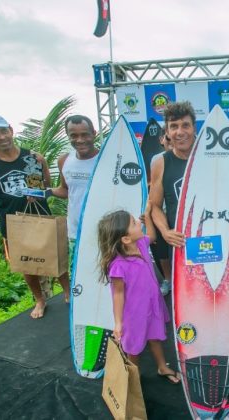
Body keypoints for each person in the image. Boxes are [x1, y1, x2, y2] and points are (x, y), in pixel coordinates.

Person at [149, 76, 229, 255]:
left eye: (185, 125)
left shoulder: (215, 151)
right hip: (184, 244)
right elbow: (155, 206)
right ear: (167, 132)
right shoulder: (160, 163)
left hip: (220, 238)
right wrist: (165, 231)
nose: (180, 132)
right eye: (174, 126)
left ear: (194, 128)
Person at [0, 113, 69, 318]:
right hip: (12, 222)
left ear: (10, 129)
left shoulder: (33, 158)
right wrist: (11, 209)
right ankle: (40, 300)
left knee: (57, 256)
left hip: (41, 215)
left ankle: (69, 293)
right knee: (27, 264)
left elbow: (44, 186)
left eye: (3, 131)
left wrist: (33, 196)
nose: (0, 137)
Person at [97, 208, 180, 383]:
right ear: (126, 239)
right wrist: (119, 323)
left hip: (152, 305)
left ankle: (162, 366)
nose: (138, 222)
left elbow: (152, 235)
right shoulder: (118, 266)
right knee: (133, 349)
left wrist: (148, 215)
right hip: (134, 315)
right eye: (134, 223)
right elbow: (118, 295)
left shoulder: (141, 244)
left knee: (155, 336)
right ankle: (132, 379)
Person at [50, 115, 99, 301]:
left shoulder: (107, 159)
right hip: (75, 231)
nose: (80, 140)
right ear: (68, 136)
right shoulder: (64, 161)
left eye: (85, 134)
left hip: (103, 230)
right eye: (74, 135)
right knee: (81, 274)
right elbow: (65, 190)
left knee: (106, 274)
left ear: (93, 134)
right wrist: (45, 192)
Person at [149, 127, 173, 296]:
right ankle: (168, 279)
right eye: (168, 139)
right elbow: (154, 189)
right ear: (162, 139)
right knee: (163, 251)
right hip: (163, 214)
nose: (171, 143)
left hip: (183, 215)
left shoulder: (194, 156)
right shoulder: (157, 160)